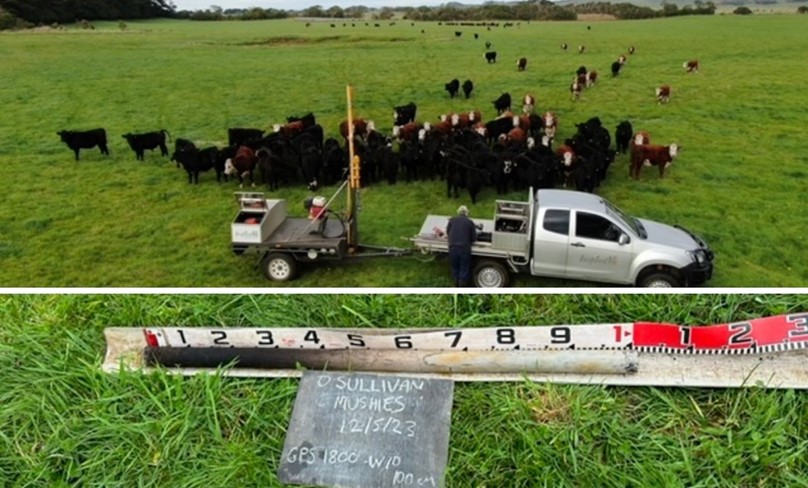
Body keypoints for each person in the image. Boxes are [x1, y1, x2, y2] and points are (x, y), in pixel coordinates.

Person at [446, 205, 477, 287]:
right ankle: (462, 288)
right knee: (464, 268)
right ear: (467, 213)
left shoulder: (452, 220)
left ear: (458, 212)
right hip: (464, 248)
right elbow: (474, 238)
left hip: (452, 248)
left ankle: (456, 286)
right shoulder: (470, 222)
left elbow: (448, 232)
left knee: (455, 267)